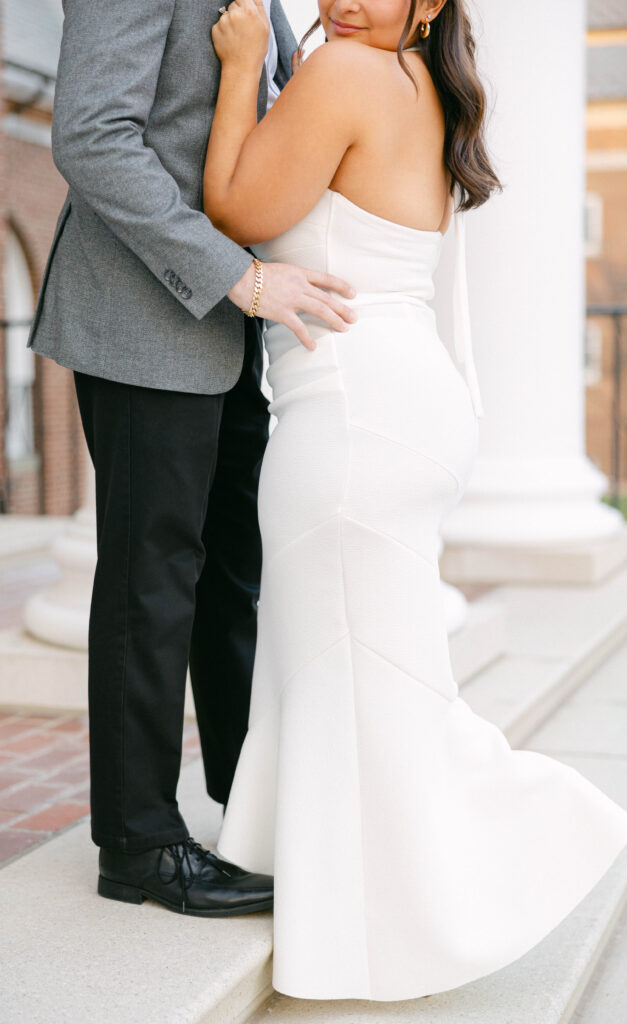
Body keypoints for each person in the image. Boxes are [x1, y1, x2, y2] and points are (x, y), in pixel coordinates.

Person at [204, 0, 627, 1000]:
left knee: (361, 670)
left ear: (427, 3)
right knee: (348, 661)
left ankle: (494, 855)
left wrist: (235, 65)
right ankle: (325, 878)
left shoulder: (343, 73)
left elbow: (235, 213)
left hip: (353, 415)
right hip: (399, 402)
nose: (341, 2)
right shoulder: (420, 83)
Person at [27, 0, 358, 918]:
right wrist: (238, 277)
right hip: (148, 321)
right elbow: (93, 136)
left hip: (228, 331)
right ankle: (136, 845)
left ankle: (246, 807)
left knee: (228, 577)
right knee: (151, 581)